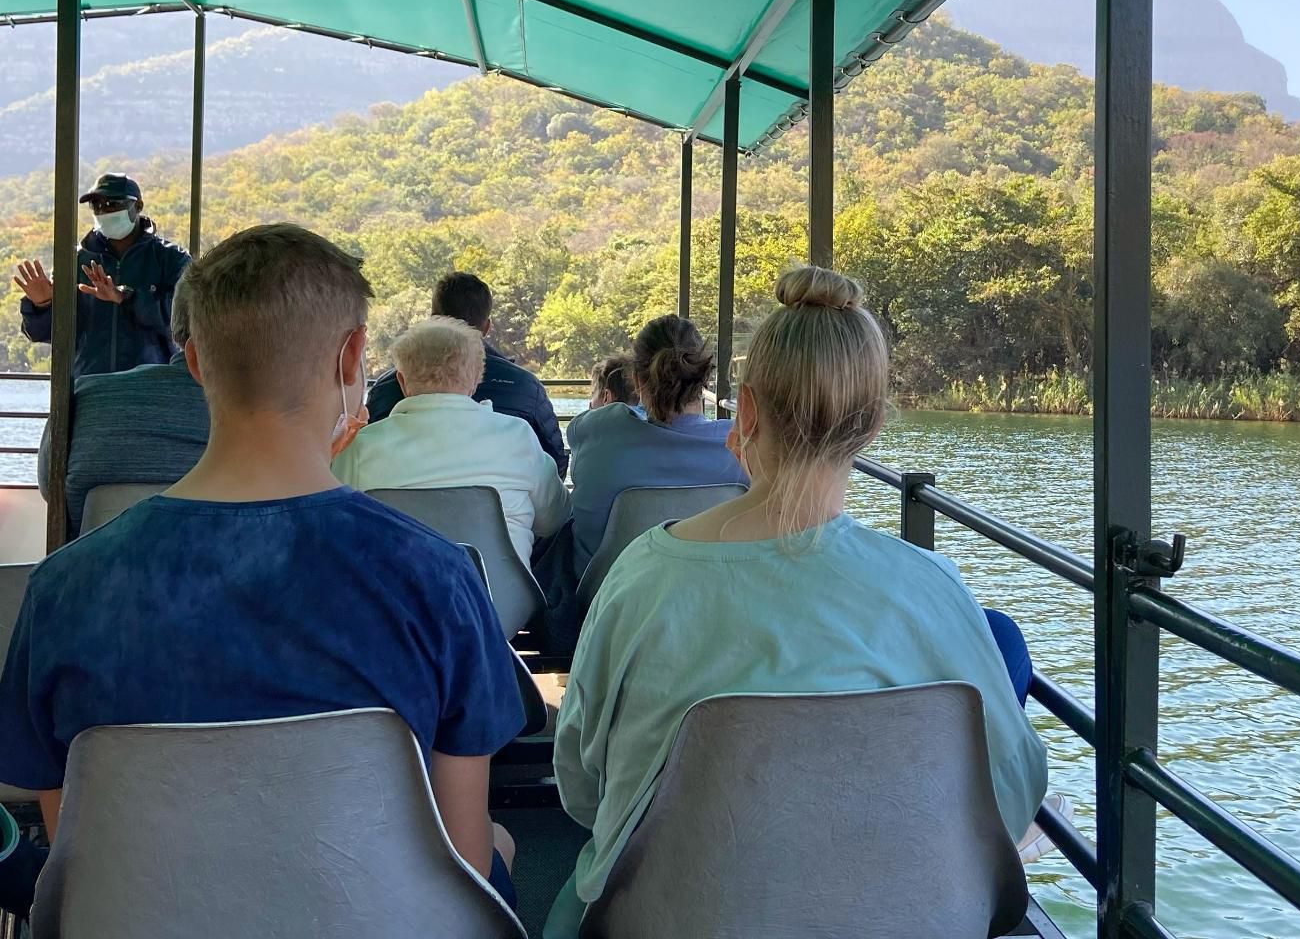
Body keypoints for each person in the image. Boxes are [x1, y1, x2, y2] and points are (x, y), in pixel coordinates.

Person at [0, 224, 525, 911]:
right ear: (354, 358)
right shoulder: (439, 579)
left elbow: (79, 863)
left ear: (191, 362)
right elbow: (465, 864)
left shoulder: (64, 590)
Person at [546, 267, 1048, 936]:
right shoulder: (931, 588)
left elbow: (584, 791)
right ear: (871, 428)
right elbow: (1011, 796)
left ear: (746, 413)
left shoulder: (642, 577)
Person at [335, 315, 571, 565]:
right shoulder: (518, 437)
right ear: (475, 381)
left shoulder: (359, 448)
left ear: (402, 383)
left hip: (394, 601)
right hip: (502, 602)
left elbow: (336, 527)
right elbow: (555, 518)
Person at [547, 315, 746, 610]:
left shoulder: (596, 430)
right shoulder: (739, 448)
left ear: (637, 380)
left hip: (605, 606)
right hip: (708, 605)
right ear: (705, 379)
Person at [36, 273, 210, 540]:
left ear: (177, 327)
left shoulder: (83, 399)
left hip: (95, 567)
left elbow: (52, 489)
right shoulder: (263, 414)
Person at [366, 272, 567, 476]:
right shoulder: (525, 388)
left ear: (433, 318)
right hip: (503, 504)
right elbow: (555, 462)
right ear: (486, 327)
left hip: (395, 505)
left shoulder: (385, 388)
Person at [13, 173, 191, 378]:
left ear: (138, 206)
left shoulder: (171, 259)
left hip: (151, 390)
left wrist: (126, 297)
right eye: (96, 205)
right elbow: (46, 333)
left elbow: (186, 321)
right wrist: (42, 305)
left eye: (112, 204)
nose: (104, 210)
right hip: (90, 388)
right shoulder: (75, 262)